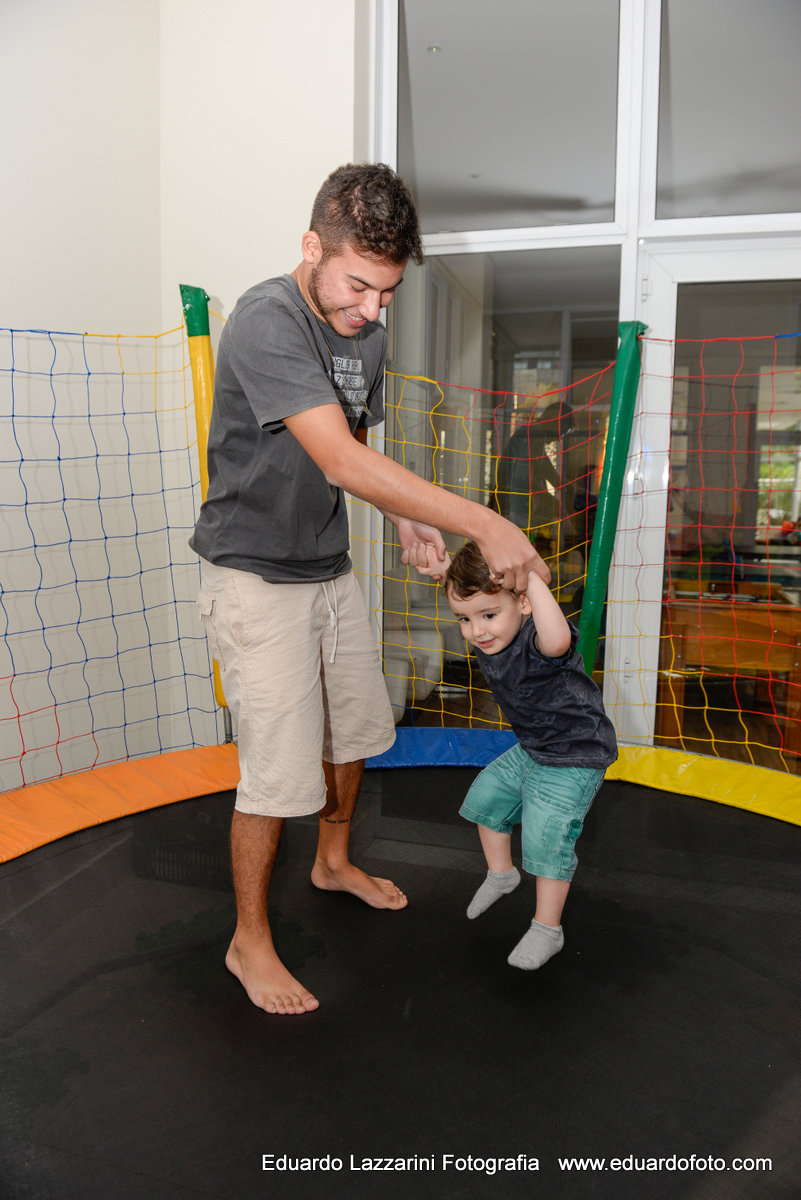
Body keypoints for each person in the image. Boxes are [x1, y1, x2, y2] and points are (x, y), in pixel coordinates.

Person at [190, 163, 549, 1015]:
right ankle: (248, 941)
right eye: (358, 285)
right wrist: (484, 524)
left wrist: (402, 519)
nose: (372, 308)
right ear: (312, 247)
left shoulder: (367, 335)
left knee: (352, 730)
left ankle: (332, 860)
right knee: (276, 772)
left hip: (328, 565)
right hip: (254, 576)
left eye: (387, 292)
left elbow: (354, 445)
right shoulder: (266, 320)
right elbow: (339, 458)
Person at [413, 538, 617, 969]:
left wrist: (530, 580)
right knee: (485, 799)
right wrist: (445, 568)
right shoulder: (491, 628)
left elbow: (558, 640)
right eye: (464, 619)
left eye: (488, 616)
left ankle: (547, 929)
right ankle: (502, 875)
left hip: (577, 754)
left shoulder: (539, 640)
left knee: (545, 836)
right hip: (534, 747)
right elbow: (470, 591)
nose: (477, 631)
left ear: (523, 603)